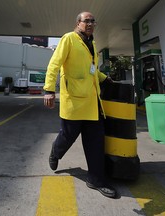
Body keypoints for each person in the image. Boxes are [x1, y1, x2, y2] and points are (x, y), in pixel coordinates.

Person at [43, 11, 116, 198]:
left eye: (93, 21)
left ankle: (95, 179)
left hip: (92, 104)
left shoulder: (92, 43)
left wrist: (104, 78)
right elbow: (54, 64)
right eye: (87, 21)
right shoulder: (69, 39)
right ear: (78, 23)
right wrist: (49, 90)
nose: (90, 23)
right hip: (74, 101)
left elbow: (92, 71)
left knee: (96, 142)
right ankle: (55, 152)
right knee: (67, 137)